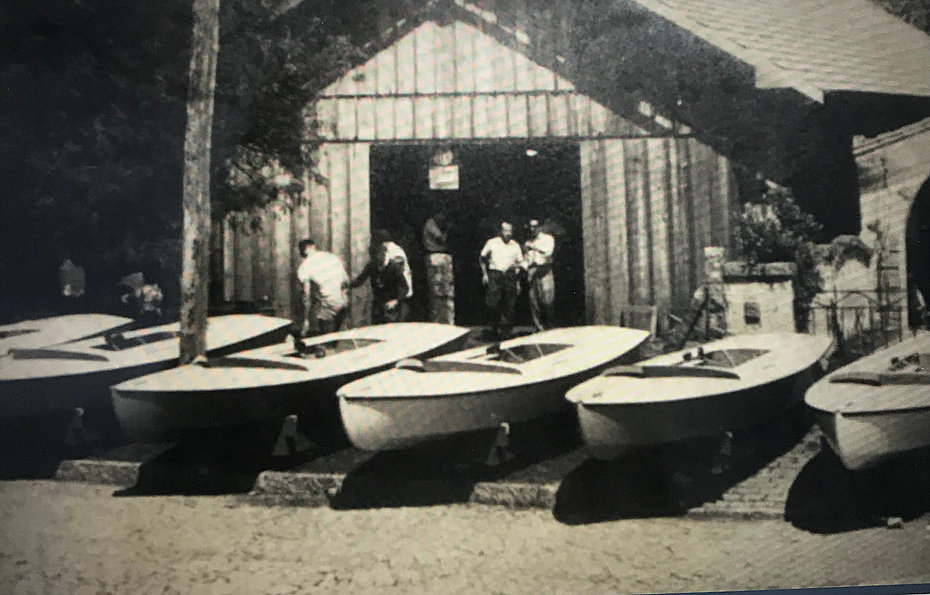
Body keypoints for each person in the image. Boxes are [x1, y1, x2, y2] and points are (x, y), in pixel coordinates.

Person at [352, 229, 413, 323]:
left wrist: (395, 301)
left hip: (395, 300)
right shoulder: (372, 265)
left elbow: (404, 287)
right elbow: (361, 279)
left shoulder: (394, 264)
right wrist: (348, 285)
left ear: (383, 254)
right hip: (380, 301)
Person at [295, 238, 350, 337]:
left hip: (328, 305)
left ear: (304, 250)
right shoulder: (332, 257)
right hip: (343, 303)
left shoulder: (305, 267)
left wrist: (306, 320)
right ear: (313, 247)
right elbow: (346, 281)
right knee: (337, 338)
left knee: (325, 338)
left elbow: (306, 295)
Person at [480, 221, 524, 339]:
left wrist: (518, 282)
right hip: (495, 274)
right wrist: (485, 274)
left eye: (510, 231)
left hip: (510, 275)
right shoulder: (492, 242)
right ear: (500, 231)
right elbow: (482, 258)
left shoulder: (515, 245)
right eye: (505, 230)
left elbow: (519, 263)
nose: (508, 233)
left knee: (509, 304)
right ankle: (494, 328)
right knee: (493, 303)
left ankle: (505, 332)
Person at [522, 219, 556, 331]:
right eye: (531, 227)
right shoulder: (528, 242)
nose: (533, 229)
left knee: (547, 300)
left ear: (540, 227)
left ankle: (549, 325)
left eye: (535, 226)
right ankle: (539, 327)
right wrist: (523, 266)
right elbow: (526, 259)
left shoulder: (548, 239)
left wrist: (534, 247)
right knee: (534, 301)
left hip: (544, 271)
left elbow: (548, 252)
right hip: (533, 272)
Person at [422, 210, 454, 324]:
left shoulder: (434, 223)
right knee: (438, 291)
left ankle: (446, 318)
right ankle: (438, 319)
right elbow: (441, 238)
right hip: (435, 255)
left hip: (440, 255)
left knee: (446, 291)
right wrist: (448, 229)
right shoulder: (431, 224)